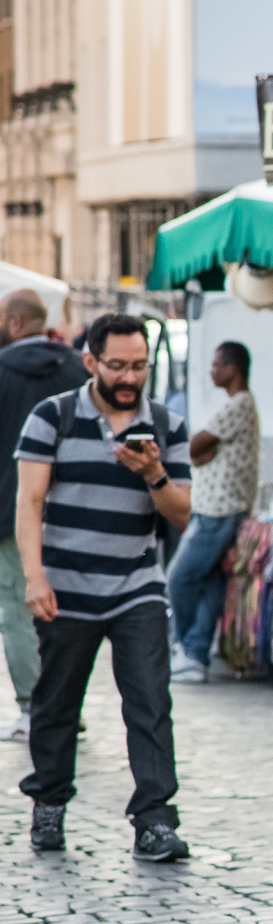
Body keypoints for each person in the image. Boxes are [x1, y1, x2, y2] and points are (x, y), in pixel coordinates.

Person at [15, 313, 193, 861]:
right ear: (91, 361)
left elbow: (183, 515)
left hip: (137, 584)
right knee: (56, 703)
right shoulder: (54, 417)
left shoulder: (166, 426)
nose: (129, 377)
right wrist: (35, 577)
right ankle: (49, 802)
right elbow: (30, 501)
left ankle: (154, 822)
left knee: (148, 701)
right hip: (66, 587)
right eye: (117, 365)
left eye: (138, 366)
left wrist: (154, 474)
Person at [0, 292, 85, 740]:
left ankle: (36, 708)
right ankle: (68, 707)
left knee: (19, 608)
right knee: (74, 612)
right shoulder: (76, 369)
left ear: (15, 324)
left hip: (13, 513)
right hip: (76, 512)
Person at [167, 341, 260, 682]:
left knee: (180, 577)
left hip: (220, 509)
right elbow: (200, 451)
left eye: (216, 364)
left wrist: (203, 451)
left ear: (232, 368)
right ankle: (195, 653)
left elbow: (194, 447)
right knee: (207, 581)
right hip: (215, 506)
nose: (211, 370)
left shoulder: (239, 405)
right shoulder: (238, 406)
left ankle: (190, 647)